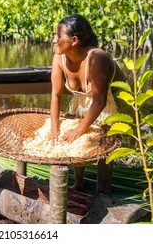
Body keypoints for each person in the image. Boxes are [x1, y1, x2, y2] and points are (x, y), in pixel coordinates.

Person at [50, 14, 127, 192]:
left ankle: (103, 189)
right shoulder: (59, 58)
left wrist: (78, 130)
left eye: (58, 36)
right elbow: (56, 95)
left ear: (74, 40)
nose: (54, 40)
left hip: (112, 99)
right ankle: (79, 184)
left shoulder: (96, 58)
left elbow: (100, 101)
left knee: (105, 142)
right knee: (76, 139)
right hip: (84, 100)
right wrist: (55, 129)